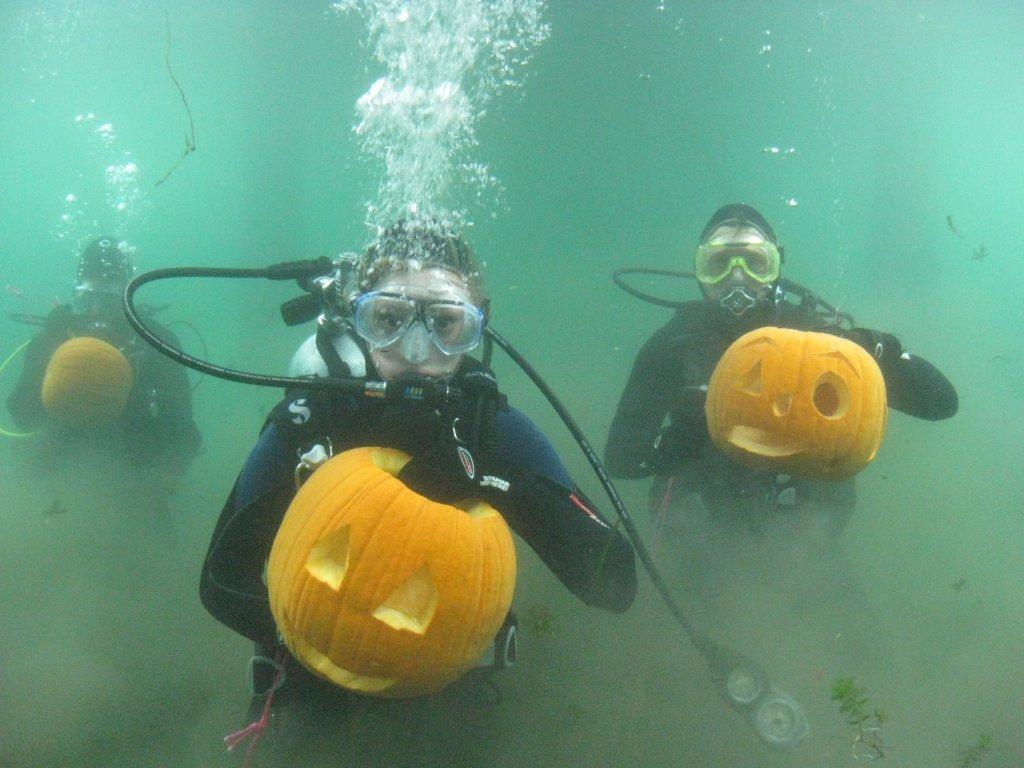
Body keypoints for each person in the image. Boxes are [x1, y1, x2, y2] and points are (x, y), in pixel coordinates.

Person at [199, 221, 636, 761]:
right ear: (359, 320)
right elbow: (221, 582)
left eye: (445, 324)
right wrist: (320, 640)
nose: (414, 350)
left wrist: (488, 478)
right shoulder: (310, 420)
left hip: (451, 704)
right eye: (389, 319)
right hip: (312, 693)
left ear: (477, 328)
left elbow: (615, 583)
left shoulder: (494, 434)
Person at [604, 203, 957, 664]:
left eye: (754, 263)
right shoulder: (674, 346)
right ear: (700, 273)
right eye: (719, 265)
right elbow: (620, 459)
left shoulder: (819, 339)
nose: (737, 279)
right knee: (683, 666)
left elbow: (941, 403)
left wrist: (876, 350)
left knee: (868, 662)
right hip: (701, 536)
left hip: (802, 537)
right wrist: (678, 446)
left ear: (777, 264)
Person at [5, 237, 201, 475]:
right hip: (60, 471)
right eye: (86, 299)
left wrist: (134, 398)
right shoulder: (52, 338)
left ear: (127, 302)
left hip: (130, 474)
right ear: (74, 298)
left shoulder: (156, 344)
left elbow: (185, 441)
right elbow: (21, 416)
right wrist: (51, 378)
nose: (96, 312)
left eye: (108, 301)